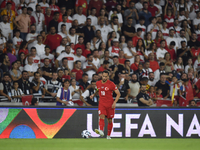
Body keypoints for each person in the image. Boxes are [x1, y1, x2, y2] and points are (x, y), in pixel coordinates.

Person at [91, 70, 120, 139]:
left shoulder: (111, 84)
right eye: (103, 76)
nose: (104, 78)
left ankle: (108, 135)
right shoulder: (98, 83)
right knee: (101, 117)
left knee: (109, 120)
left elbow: (118, 94)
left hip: (110, 104)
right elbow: (97, 90)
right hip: (102, 103)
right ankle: (101, 131)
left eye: (106, 76)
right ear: (102, 76)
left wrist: (114, 102)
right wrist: (94, 95)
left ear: (108, 77)